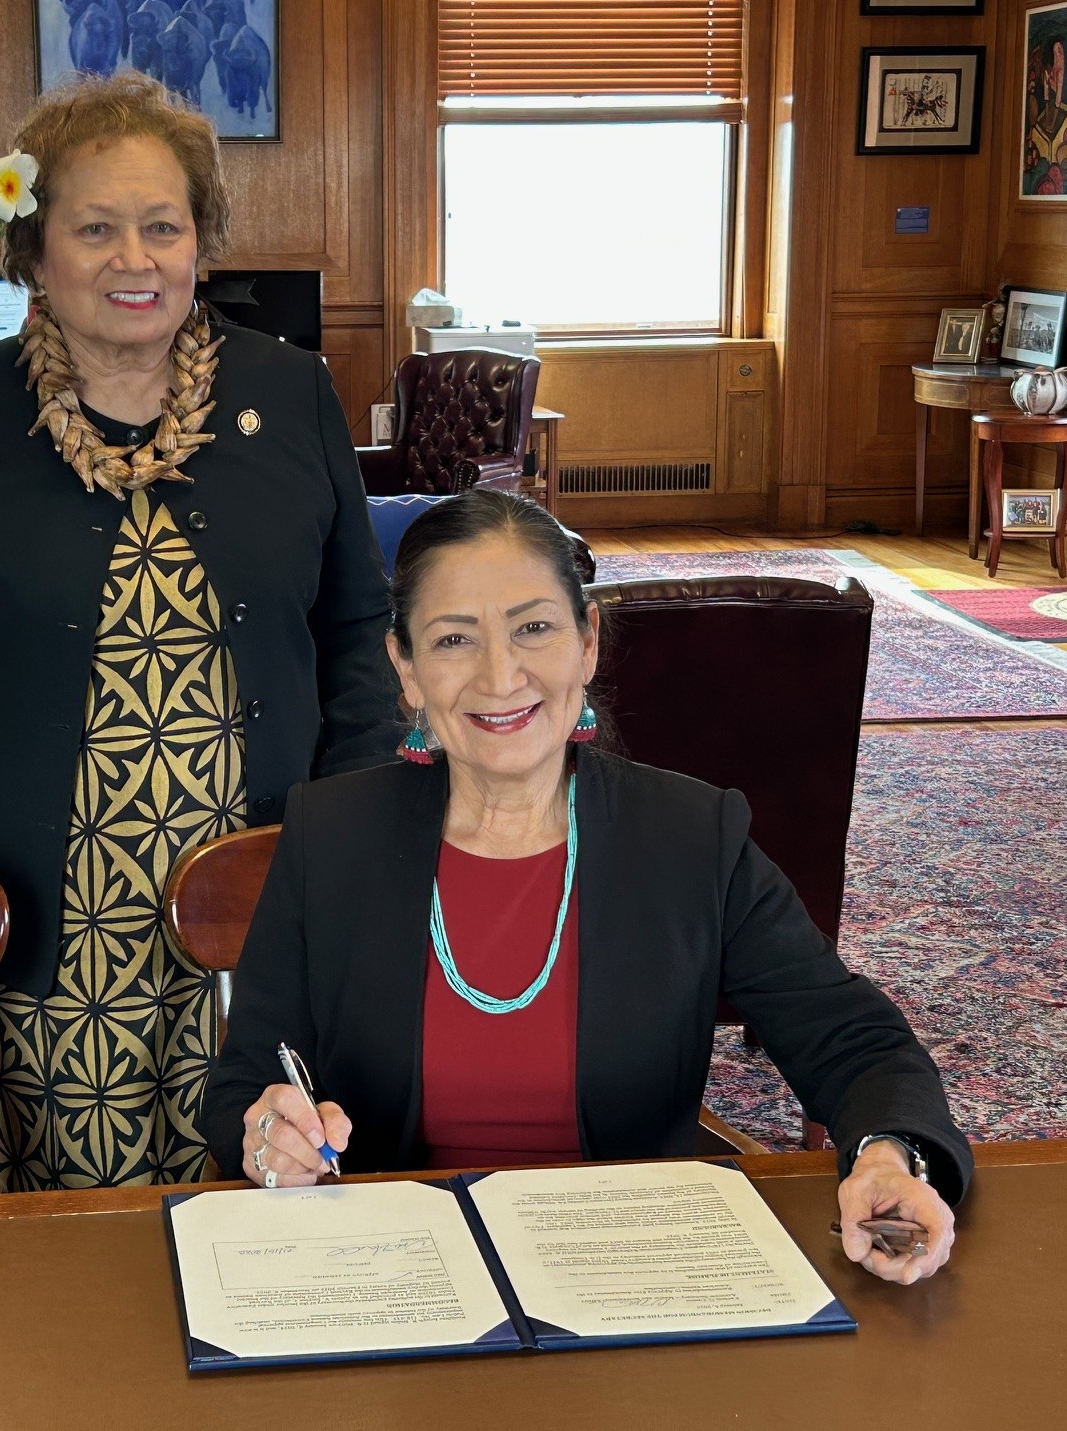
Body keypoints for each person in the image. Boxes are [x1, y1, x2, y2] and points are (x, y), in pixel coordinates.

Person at [0, 72, 400, 1192]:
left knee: (261, 1191)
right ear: (35, 252)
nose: (132, 260)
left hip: (259, 875)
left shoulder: (291, 396)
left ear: (203, 243)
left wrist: (356, 850)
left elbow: (355, 629)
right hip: (42, 902)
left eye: (162, 226)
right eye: (94, 228)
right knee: (64, 1251)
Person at [201, 489, 970, 1284]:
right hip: (397, 1279)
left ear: (588, 642)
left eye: (533, 628)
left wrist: (888, 1154)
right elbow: (244, 1084)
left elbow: (855, 1043)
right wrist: (268, 1140)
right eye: (454, 640)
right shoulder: (331, 837)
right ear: (407, 670)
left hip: (627, 1278)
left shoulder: (688, 835)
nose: (502, 676)